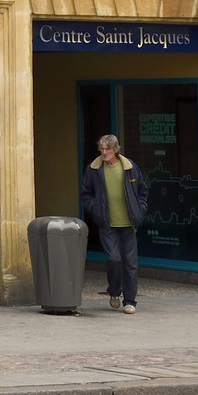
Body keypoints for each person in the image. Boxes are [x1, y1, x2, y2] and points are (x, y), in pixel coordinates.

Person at [81, 133, 148, 314]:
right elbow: (86, 194)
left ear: (115, 149)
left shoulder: (130, 168)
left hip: (128, 222)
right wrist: (95, 209)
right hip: (107, 223)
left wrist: (140, 209)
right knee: (114, 259)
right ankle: (114, 290)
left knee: (130, 263)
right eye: (101, 149)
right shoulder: (93, 169)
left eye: (107, 149)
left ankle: (130, 301)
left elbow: (142, 190)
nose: (104, 152)